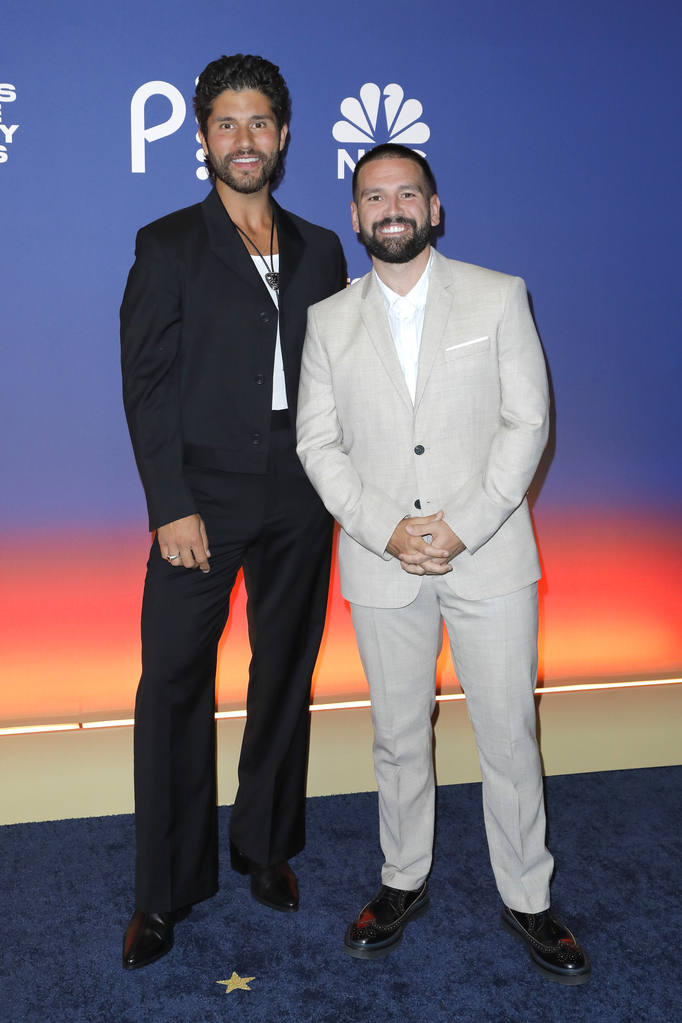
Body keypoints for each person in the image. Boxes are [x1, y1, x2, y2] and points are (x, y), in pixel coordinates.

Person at [296, 143, 590, 985]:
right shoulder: (327, 319)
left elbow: (527, 422)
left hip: (490, 555)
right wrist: (386, 527)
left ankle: (529, 897)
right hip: (379, 559)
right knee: (396, 737)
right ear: (355, 216)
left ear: (435, 207)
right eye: (374, 196)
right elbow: (318, 442)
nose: (392, 207)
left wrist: (459, 526)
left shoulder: (500, 296)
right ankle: (401, 879)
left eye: (407, 193)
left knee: (507, 733)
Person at [119, 53, 346, 970]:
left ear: (283, 137)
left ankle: (265, 846)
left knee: (283, 669)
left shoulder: (326, 249)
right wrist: (170, 503)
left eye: (260, 124)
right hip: (200, 498)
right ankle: (165, 892)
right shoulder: (168, 243)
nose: (244, 140)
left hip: (301, 491)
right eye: (227, 124)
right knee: (172, 684)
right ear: (203, 138)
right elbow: (147, 384)